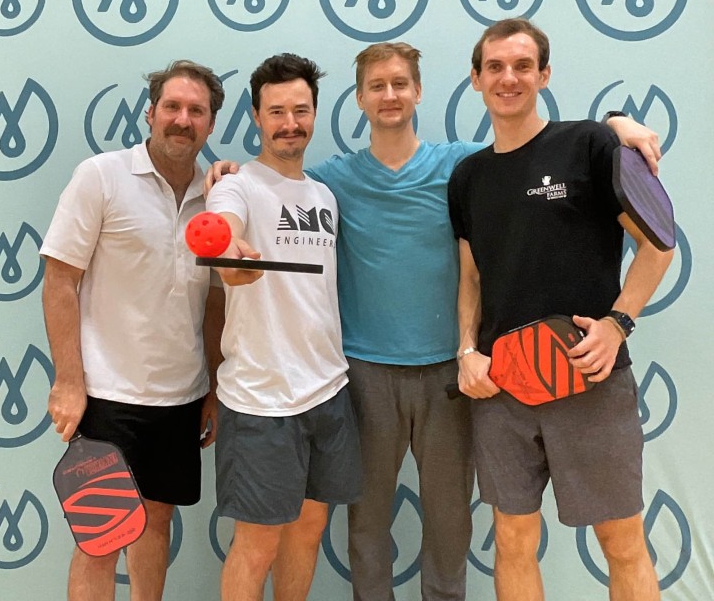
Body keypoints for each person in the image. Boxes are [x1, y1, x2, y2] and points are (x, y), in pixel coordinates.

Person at [206, 44, 661, 601]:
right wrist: (226, 172)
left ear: (419, 91)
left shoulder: (464, 166)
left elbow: (538, 148)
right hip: (364, 374)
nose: (390, 94)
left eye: (401, 83)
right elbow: (263, 186)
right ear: (360, 98)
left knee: (450, 527)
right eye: (377, 85)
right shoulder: (328, 183)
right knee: (368, 528)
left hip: (450, 375)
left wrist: (617, 124)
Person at [447, 17, 672, 601]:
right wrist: (468, 350)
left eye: (523, 66)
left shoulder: (590, 145)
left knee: (622, 541)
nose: (509, 78)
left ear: (544, 74)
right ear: (475, 79)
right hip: (503, 392)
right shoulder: (467, 176)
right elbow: (471, 275)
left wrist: (618, 325)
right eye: (494, 67)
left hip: (589, 378)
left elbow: (658, 247)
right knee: (513, 537)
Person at [41, 60, 226, 601]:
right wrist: (69, 382)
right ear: (150, 113)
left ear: (211, 125)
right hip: (105, 394)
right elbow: (58, 282)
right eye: (172, 106)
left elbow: (214, 300)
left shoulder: (217, 197)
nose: (182, 119)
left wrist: (213, 387)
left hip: (180, 395)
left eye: (196, 111)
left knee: (156, 524)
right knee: (99, 538)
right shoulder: (101, 176)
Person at [205, 53, 362, 601]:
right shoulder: (237, 186)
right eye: (276, 111)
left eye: (300, 110)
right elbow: (222, 232)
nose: (289, 122)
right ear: (255, 116)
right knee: (256, 546)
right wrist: (228, 251)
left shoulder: (324, 196)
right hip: (261, 402)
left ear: (315, 113)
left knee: (309, 530)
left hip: (328, 391)